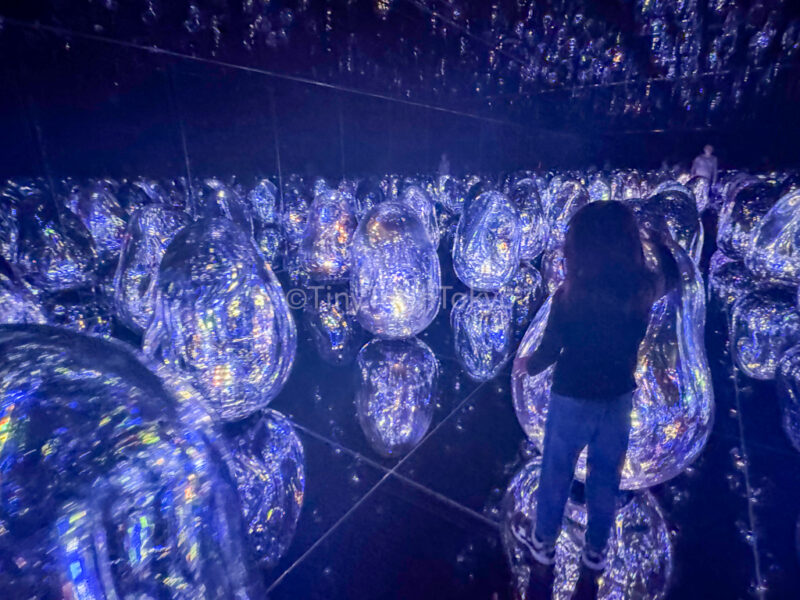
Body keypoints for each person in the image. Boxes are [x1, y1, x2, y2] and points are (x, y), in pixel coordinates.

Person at [513, 202, 676, 584]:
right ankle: (596, 554)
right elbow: (671, 275)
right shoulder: (641, 290)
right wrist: (658, 241)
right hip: (618, 400)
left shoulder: (569, 297)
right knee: (606, 480)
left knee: (556, 473)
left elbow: (549, 351)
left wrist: (526, 366)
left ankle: (543, 546)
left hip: (571, 399)